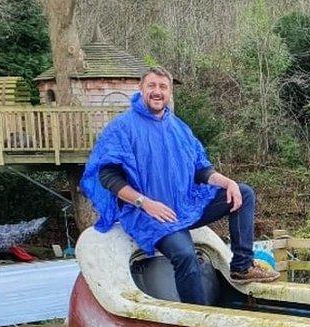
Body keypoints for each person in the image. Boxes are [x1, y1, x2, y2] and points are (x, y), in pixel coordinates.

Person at [79, 66, 279, 305]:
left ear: (170, 92)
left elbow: (201, 170)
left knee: (243, 193)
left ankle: (242, 266)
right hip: (151, 216)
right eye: (151, 86)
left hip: (184, 205)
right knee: (186, 255)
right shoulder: (123, 127)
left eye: (163, 87)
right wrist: (145, 203)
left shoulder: (179, 129)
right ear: (141, 88)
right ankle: (197, 320)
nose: (157, 91)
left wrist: (228, 182)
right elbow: (108, 176)